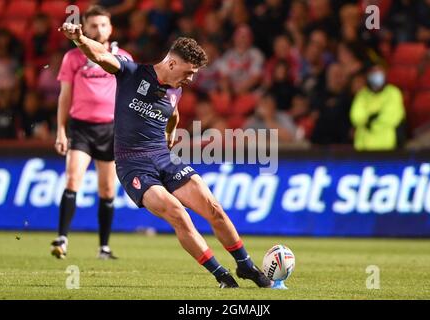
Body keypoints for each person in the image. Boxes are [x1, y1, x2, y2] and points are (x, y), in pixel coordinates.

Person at [57, 23, 273, 289]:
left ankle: (246, 266)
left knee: (214, 209)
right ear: (171, 64)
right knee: (177, 213)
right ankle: (222, 276)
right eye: (189, 72)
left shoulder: (176, 88)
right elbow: (101, 55)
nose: (191, 79)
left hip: (163, 156)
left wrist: (171, 133)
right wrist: (79, 39)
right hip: (132, 165)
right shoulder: (131, 73)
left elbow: (174, 112)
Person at [51, 6, 133, 260]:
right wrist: (61, 131)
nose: (99, 30)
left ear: (111, 28)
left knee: (107, 190)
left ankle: (104, 248)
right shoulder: (73, 58)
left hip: (110, 129)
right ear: (85, 28)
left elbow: (130, 97)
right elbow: (65, 96)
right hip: (82, 128)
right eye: (94, 25)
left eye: (103, 25)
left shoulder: (123, 57)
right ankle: (62, 239)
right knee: (73, 178)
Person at [350, 64, 406, 151]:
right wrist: (374, 117)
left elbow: (391, 116)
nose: (376, 76)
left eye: (379, 73)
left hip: (388, 147)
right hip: (363, 147)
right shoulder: (362, 95)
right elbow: (356, 116)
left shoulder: (393, 93)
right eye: (373, 73)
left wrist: (370, 122)